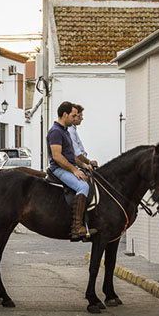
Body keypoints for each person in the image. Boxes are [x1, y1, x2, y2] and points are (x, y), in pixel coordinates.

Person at [48, 101, 94, 241]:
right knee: (82, 186)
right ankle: (76, 227)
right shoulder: (56, 131)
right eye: (73, 115)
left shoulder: (65, 131)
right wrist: (75, 170)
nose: (75, 118)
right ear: (64, 114)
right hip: (58, 169)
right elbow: (57, 156)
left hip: (66, 166)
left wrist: (83, 165)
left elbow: (70, 155)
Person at [68, 104, 98, 171]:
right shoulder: (70, 131)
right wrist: (89, 162)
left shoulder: (73, 130)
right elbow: (77, 154)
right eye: (80, 116)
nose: (82, 118)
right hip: (76, 167)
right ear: (74, 116)